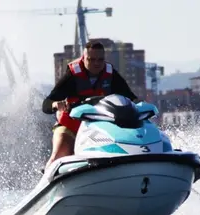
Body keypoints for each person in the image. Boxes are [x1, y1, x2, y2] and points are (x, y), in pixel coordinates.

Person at [41, 40, 140, 172]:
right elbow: (46, 104)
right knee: (59, 155)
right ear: (84, 58)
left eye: (100, 60)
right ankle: (47, 183)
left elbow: (131, 98)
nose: (96, 63)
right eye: (91, 59)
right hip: (71, 127)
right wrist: (55, 104)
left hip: (101, 128)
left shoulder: (110, 74)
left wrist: (140, 107)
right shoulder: (72, 75)